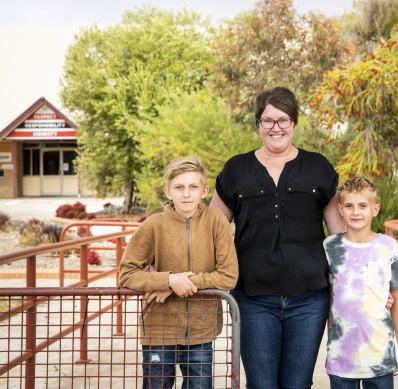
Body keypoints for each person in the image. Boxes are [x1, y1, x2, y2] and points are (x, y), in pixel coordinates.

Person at [210, 86, 346, 388]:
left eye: (283, 120)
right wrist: (168, 264)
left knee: (298, 385)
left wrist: (369, 287)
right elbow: (212, 231)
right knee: (261, 385)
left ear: (294, 123)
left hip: (309, 298)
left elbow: (342, 239)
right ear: (258, 124)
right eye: (268, 120)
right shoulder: (236, 169)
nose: (276, 128)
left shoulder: (318, 167)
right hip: (252, 298)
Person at [118, 155, 239, 389]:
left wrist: (178, 284)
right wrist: (168, 280)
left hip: (201, 330)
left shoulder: (216, 221)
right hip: (159, 329)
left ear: (204, 190)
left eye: (193, 187)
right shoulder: (153, 225)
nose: (186, 194)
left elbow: (228, 275)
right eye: (179, 187)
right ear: (167, 191)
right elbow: (127, 273)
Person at [323, 177, 398, 389]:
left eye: (362, 205)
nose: (356, 212)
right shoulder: (330, 247)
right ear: (340, 209)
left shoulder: (389, 247)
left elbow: (397, 295)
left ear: (375, 209)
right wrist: (331, 340)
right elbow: (332, 296)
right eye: (349, 206)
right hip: (342, 355)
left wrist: (396, 344)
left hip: (379, 354)